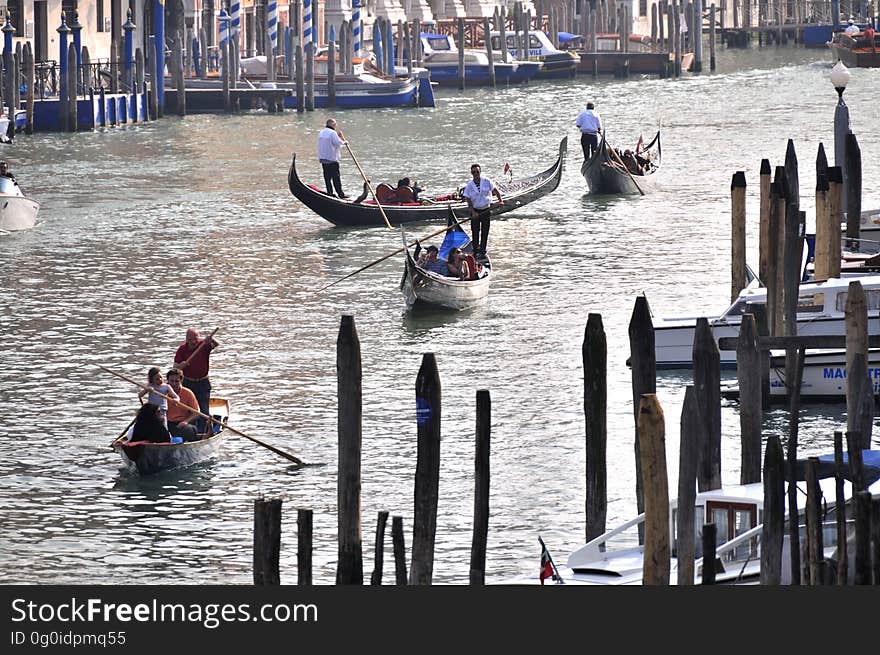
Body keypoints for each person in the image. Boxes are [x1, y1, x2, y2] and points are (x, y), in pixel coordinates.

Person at [174, 328, 219, 433]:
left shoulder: (203, 345)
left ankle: (204, 433)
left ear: (198, 338)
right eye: (190, 340)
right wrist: (182, 365)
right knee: (190, 410)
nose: (193, 342)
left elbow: (216, 344)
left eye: (195, 339)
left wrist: (211, 339)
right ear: (186, 339)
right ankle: (192, 433)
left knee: (203, 411)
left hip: (203, 383)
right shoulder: (182, 349)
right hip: (188, 383)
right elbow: (175, 367)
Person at [461, 163, 503, 259]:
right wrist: (473, 212)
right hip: (475, 211)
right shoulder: (469, 185)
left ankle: (483, 250)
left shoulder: (487, 181)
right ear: (471, 173)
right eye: (473, 172)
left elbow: (495, 190)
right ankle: (475, 250)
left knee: (485, 231)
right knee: (475, 231)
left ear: (480, 172)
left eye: (477, 171)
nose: (475, 173)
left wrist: (500, 200)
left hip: (486, 210)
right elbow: (468, 199)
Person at [165, 368, 201, 442]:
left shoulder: (188, 393)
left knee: (189, 430)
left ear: (181, 381)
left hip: (183, 423)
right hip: (167, 423)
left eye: (177, 381)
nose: (174, 384)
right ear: (168, 381)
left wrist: (186, 421)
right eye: (171, 381)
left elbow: (196, 412)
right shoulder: (163, 392)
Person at [317, 118, 348, 198]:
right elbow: (337, 143)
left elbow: (329, 141)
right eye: (335, 124)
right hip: (332, 159)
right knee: (336, 178)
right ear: (332, 125)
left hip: (323, 159)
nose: (336, 126)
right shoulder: (332, 133)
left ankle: (330, 193)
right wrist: (344, 142)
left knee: (327, 178)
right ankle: (341, 194)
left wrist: (337, 137)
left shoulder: (321, 132)